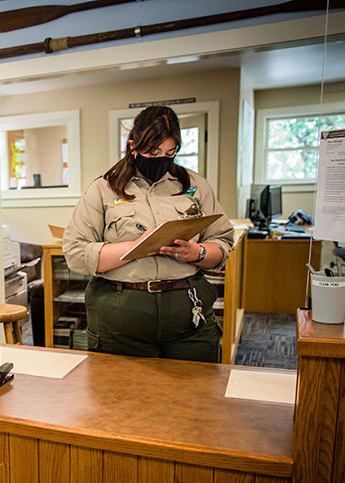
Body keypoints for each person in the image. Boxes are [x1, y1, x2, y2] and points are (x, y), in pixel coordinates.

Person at [62, 105, 233, 362]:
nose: (161, 158)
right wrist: (137, 246)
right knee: (122, 398)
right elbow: (76, 253)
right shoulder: (103, 189)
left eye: (170, 151)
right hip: (121, 320)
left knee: (198, 396)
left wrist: (197, 252)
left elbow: (222, 243)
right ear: (133, 145)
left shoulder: (196, 186)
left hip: (188, 317)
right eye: (153, 151)